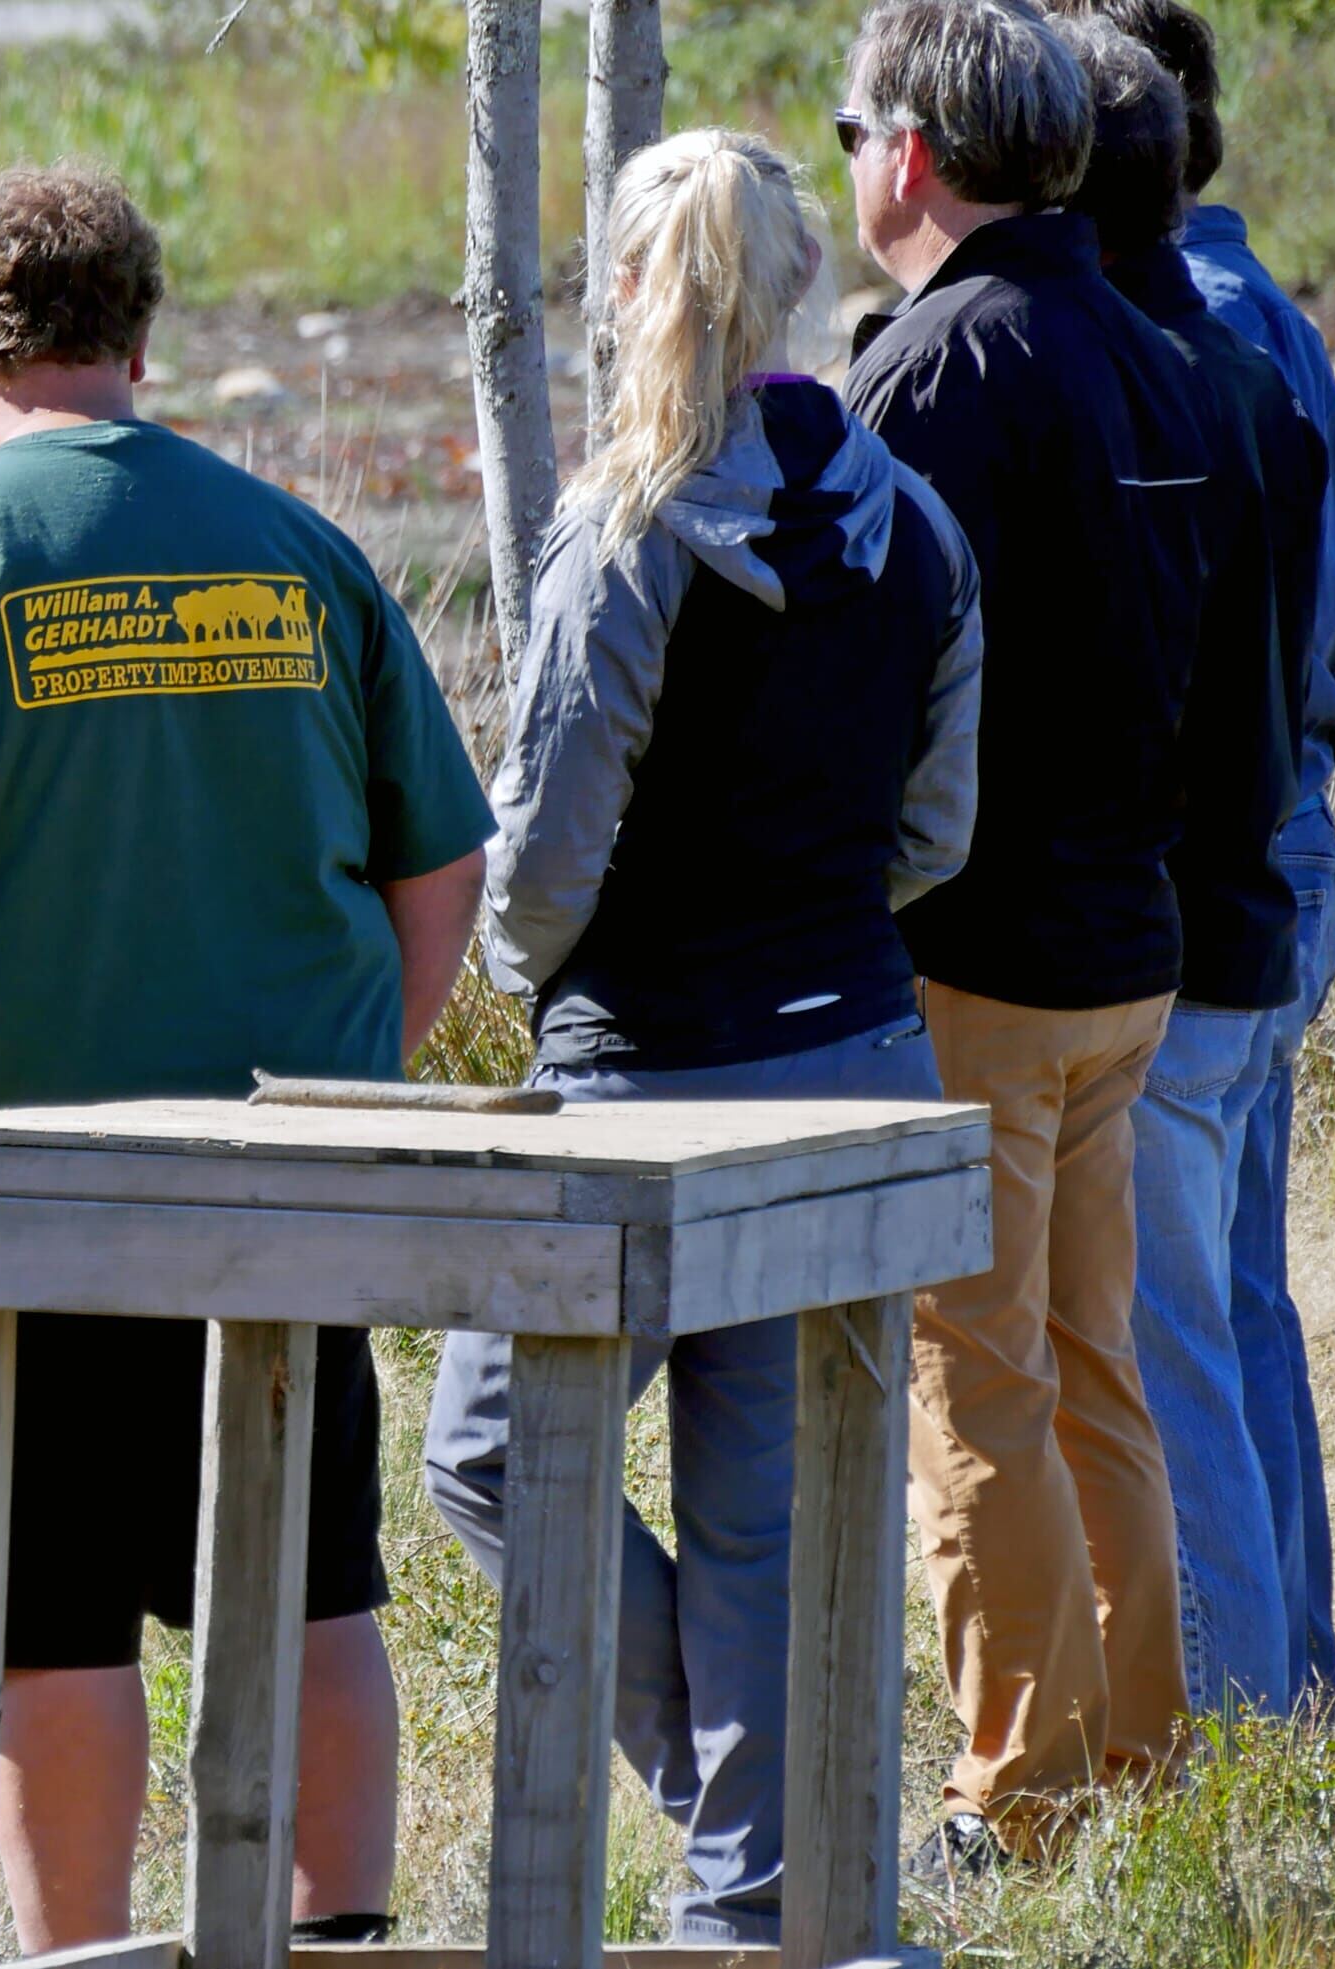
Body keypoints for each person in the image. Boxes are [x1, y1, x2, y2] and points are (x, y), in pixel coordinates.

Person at [0, 164, 492, 1954]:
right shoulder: (300, 551)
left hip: (12, 1210)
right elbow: (444, 863)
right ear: (145, 338)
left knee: (46, 1620)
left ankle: (84, 1955)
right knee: (305, 1587)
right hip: (282, 1188)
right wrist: (356, 1069)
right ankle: (335, 1941)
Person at [427, 128, 982, 1946]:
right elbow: (935, 833)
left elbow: (544, 869)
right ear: (802, 285)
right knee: (766, 1519)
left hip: (652, 1077)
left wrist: (532, 979)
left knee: (492, 1456)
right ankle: (766, 1886)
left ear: (623, 296)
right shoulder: (915, 521)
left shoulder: (626, 531)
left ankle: (747, 1846)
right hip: (861, 1061)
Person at [836, 0, 1217, 1870]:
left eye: (852, 133)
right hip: (1128, 945)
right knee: (1092, 1366)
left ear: (909, 155)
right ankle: (1137, 1761)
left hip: (982, 955)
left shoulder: (938, 369)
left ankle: (1019, 1801)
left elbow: (848, 671)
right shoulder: (1158, 350)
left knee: (982, 1381)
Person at [1059, 0, 1335, 1723]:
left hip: (1228, 856)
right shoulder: (1266, 325)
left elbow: (1269, 645)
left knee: (1185, 1325)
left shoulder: (1209, 337)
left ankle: (1247, 1719)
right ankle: (1289, 1688)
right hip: (1276, 848)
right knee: (1235, 1307)